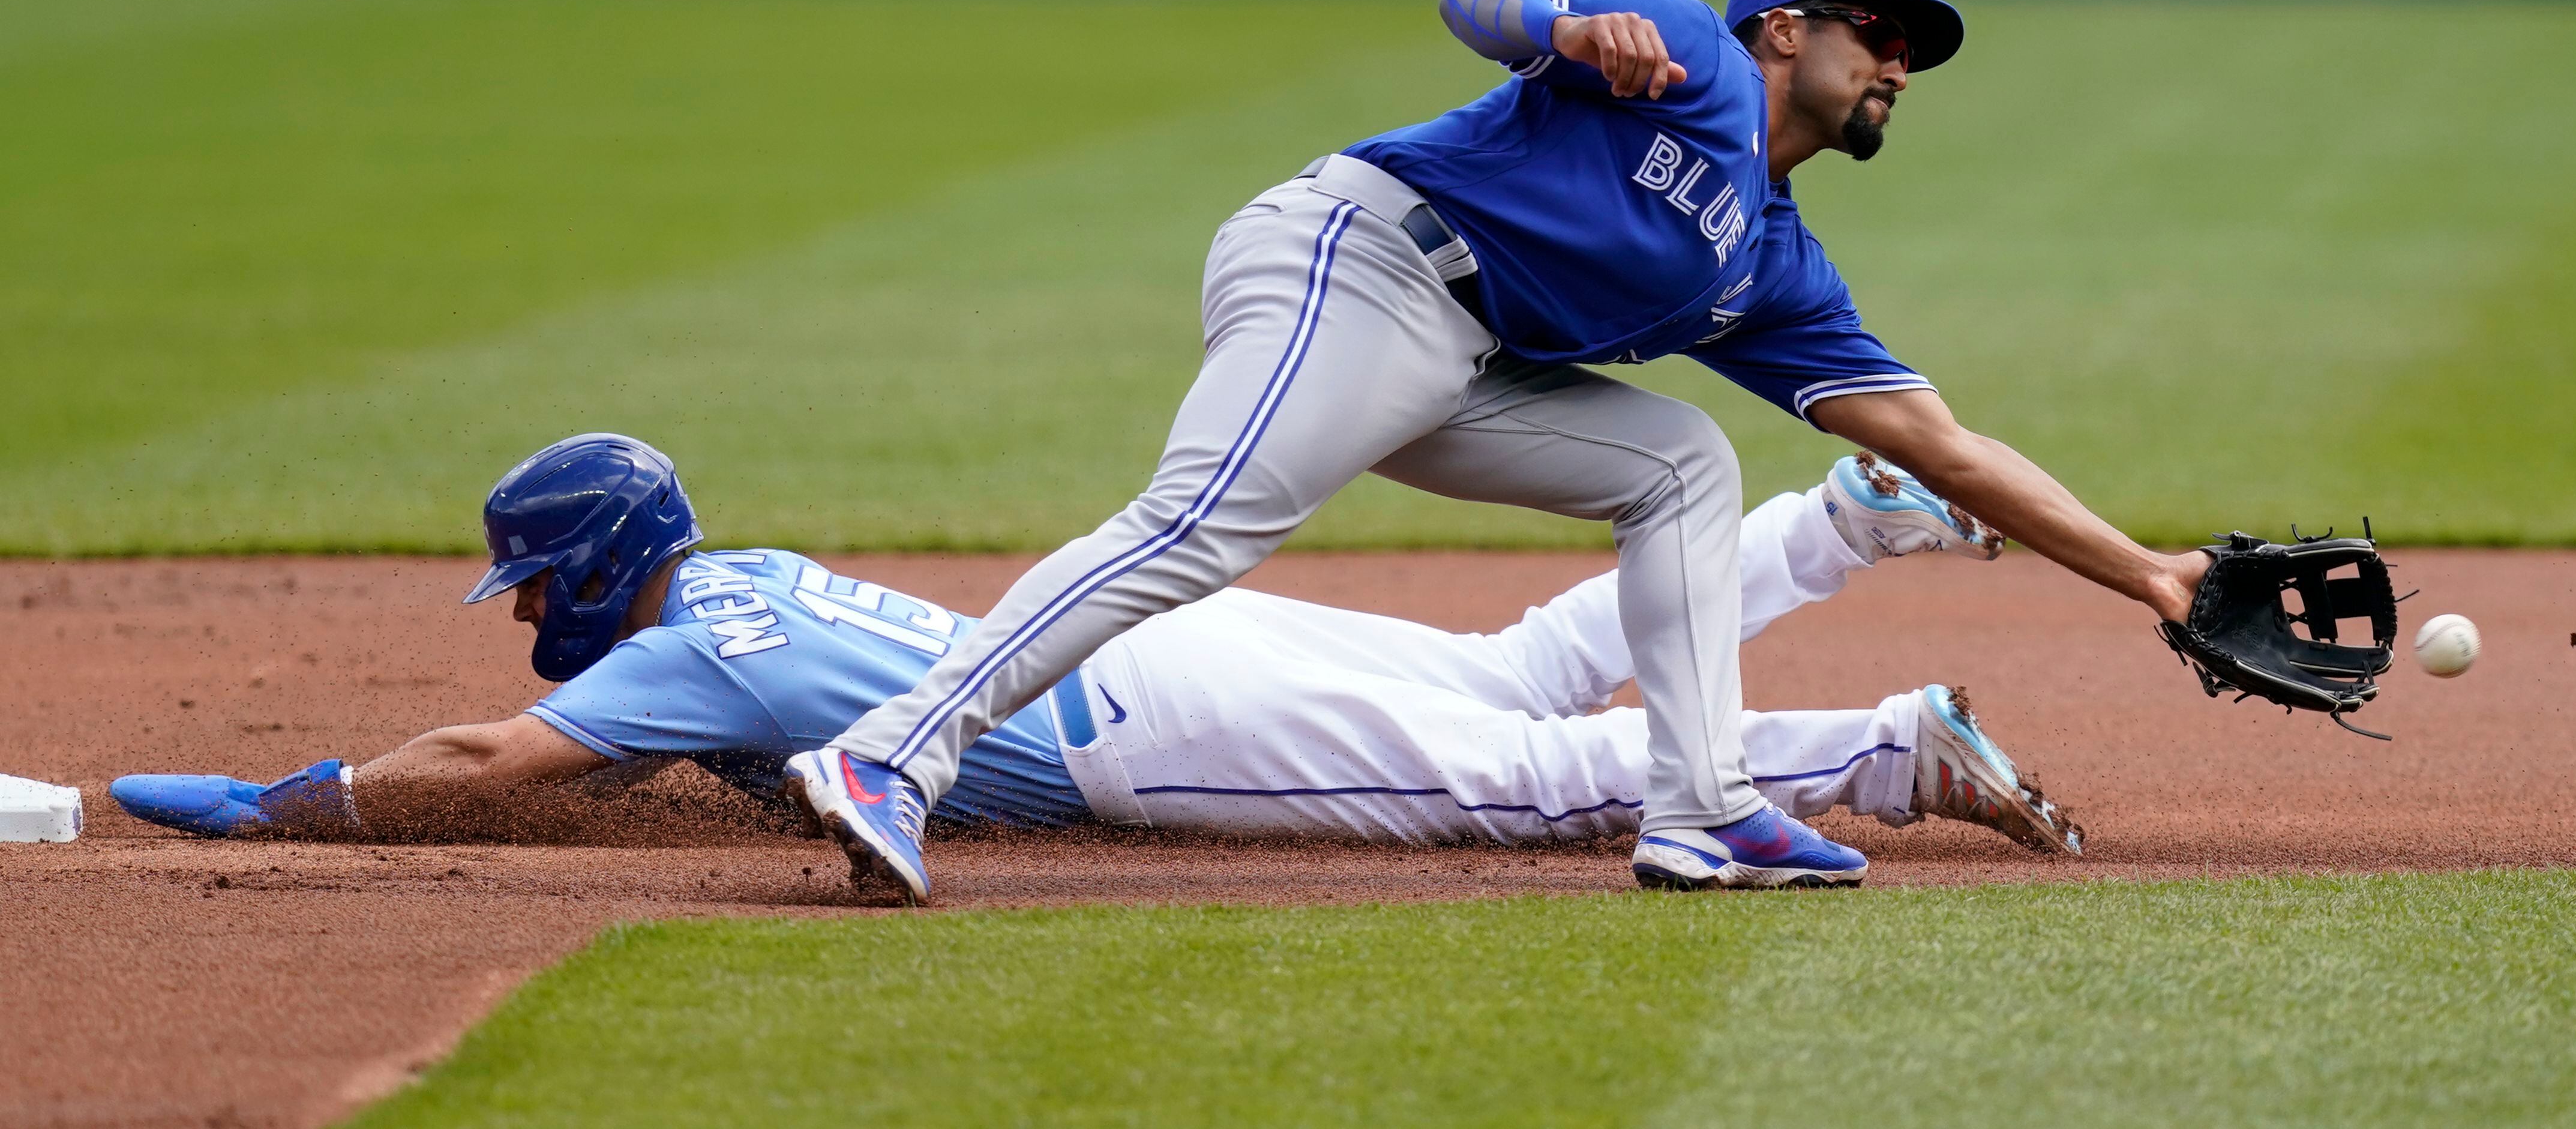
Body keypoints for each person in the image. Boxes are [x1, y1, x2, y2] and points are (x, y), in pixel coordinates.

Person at [783, 0, 2206, 905]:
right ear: (1784, 28)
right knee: (1202, 524)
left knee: (1681, 462)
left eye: (1915, 53)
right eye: (1878, 33)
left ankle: (1699, 804)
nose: (1899, 63)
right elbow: (1476, 1)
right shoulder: (1699, 62)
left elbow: (1945, 449)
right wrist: (1565, 26)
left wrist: (2147, 571)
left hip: (1459, 358)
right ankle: (890, 752)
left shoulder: (1773, 262)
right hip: (1358, 259)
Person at [110, 435, 2083, 867]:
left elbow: (496, 764)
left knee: (1517, 779)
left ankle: (1880, 745)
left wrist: (279, 801)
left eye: (529, 583)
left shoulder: (670, 661)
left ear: (583, 571)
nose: (525, 615)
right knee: (1515, 671)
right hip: (1176, 635)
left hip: (1152, 721)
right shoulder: (750, 579)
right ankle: (1837, 521)